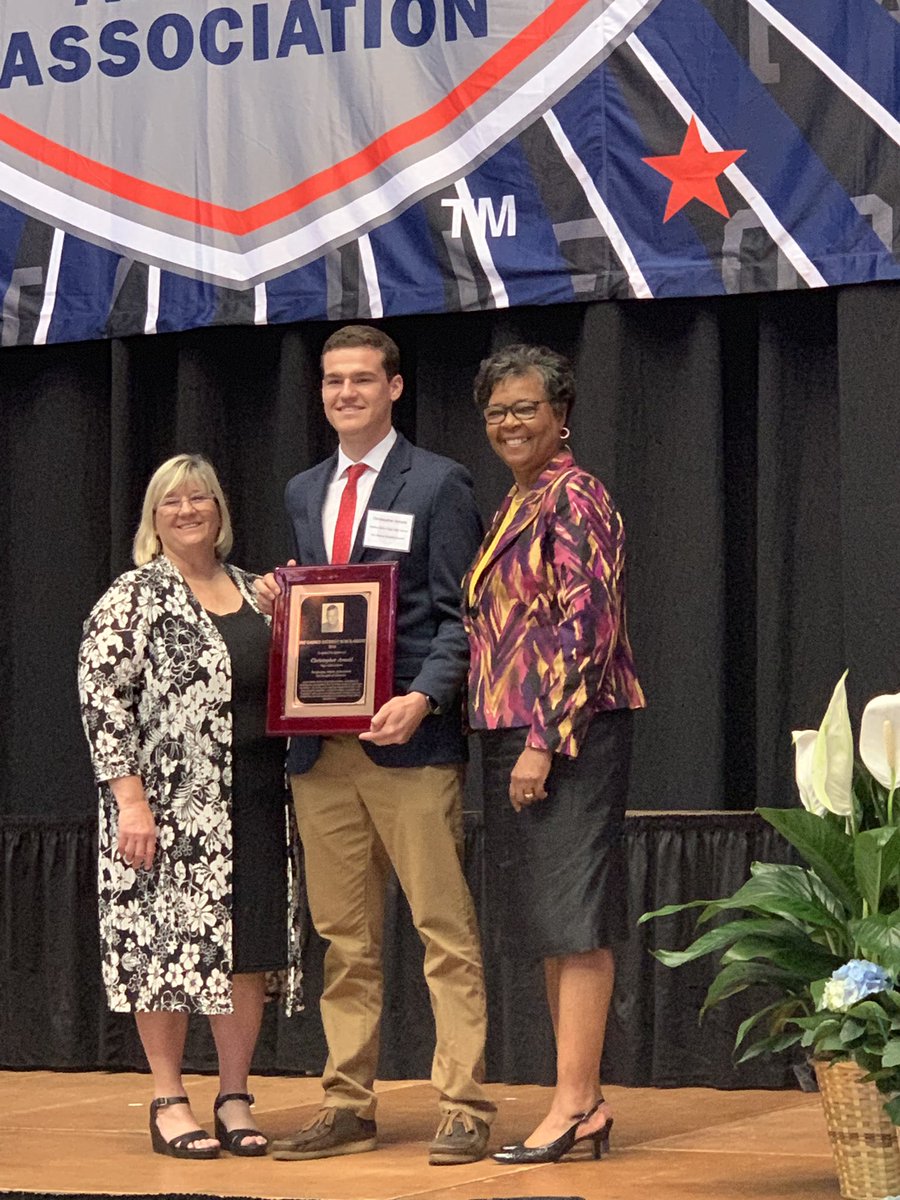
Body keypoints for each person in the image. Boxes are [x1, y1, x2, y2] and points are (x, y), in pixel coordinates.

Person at [255, 325, 495, 1166]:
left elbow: (463, 619)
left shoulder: (438, 482)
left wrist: (424, 696)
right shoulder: (302, 489)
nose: (345, 393)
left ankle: (463, 1104)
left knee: (442, 929)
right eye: (332, 381)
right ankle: (346, 1103)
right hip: (321, 753)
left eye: (362, 379)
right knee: (343, 939)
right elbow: (325, 609)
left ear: (395, 388)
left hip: (410, 747)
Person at [77, 454, 304, 1160]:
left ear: (219, 511)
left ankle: (234, 1094)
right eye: (171, 501)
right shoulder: (133, 596)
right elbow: (101, 699)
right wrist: (130, 801)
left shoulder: (254, 591)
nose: (187, 510)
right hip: (166, 810)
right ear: (153, 516)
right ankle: (169, 1098)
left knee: (248, 951)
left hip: (261, 799)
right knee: (163, 952)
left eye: (199, 497)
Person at [462, 345, 645, 1165]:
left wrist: (542, 741)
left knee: (572, 925)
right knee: (548, 924)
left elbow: (588, 627)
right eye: (498, 411)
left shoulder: (576, 495)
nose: (510, 423)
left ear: (561, 412)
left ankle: (574, 1105)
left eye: (526, 408)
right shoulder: (518, 501)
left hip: (567, 733)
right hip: (514, 732)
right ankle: (583, 1100)